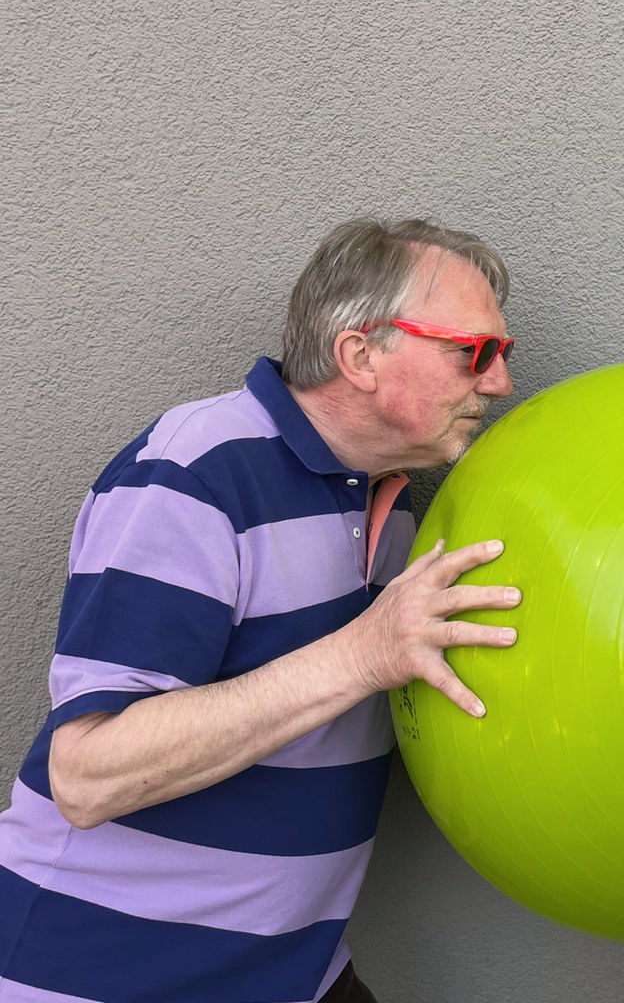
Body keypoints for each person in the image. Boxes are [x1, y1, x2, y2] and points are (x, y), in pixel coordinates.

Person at [0, 217, 523, 1003]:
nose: (500, 383)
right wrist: (362, 652)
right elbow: (86, 775)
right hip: (98, 973)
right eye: (472, 353)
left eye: (502, 356)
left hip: (289, 972)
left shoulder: (394, 504)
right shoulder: (197, 471)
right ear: (359, 354)